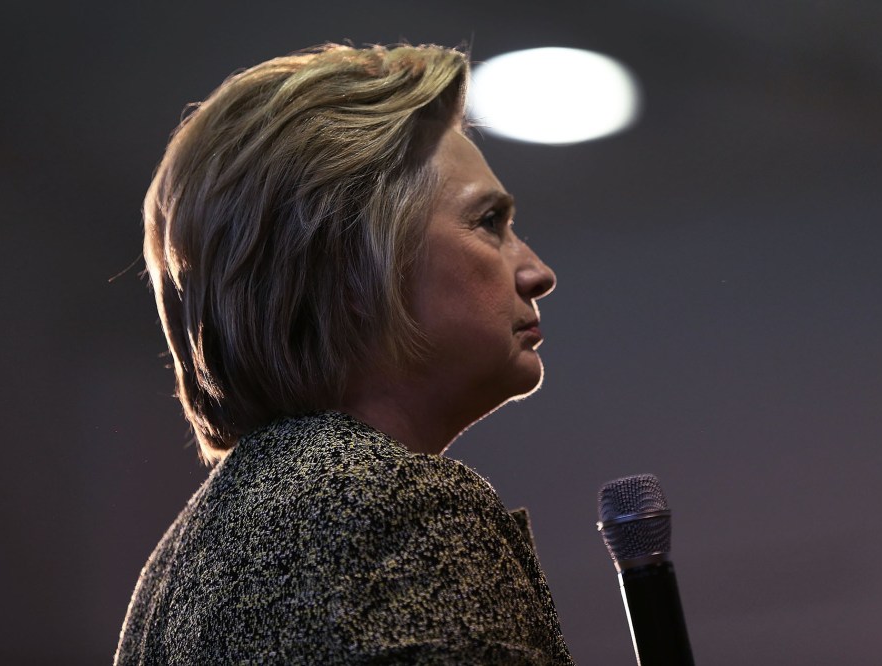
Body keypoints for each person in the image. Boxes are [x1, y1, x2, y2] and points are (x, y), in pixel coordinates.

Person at [115, 43, 573, 665]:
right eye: (489, 222)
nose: (538, 272)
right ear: (354, 266)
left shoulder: (167, 583)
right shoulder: (401, 512)